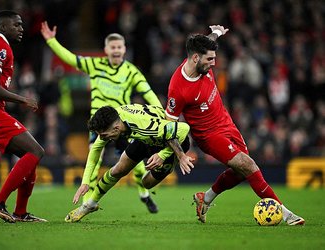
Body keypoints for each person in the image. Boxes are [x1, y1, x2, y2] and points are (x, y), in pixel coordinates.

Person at [165, 25, 305, 226]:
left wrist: (217, 33)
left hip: (226, 123)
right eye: (209, 60)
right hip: (209, 135)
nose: (213, 64)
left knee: (241, 172)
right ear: (195, 58)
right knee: (249, 165)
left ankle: (205, 198)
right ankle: (284, 212)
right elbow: (169, 125)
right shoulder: (178, 88)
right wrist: (180, 155)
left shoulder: (202, 55)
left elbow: (208, 40)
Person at [40, 21, 162, 213]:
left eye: (119, 47)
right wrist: (52, 42)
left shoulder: (131, 71)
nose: (116, 50)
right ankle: (88, 201)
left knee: (135, 163)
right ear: (106, 49)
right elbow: (71, 59)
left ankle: (144, 194)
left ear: (124, 49)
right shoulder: (95, 64)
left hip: (122, 124)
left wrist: (161, 113)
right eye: (112, 47)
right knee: (94, 157)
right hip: (100, 125)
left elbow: (148, 93)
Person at [0, 10, 46, 223]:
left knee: (29, 155)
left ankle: (20, 213)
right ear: (3, 27)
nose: (21, 29)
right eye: (17, 25)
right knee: (36, 151)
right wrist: (23, 99)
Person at [64, 104, 194, 222]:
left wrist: (163, 155)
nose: (103, 139)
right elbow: (95, 150)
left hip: (170, 143)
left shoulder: (145, 126)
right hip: (143, 139)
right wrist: (85, 182)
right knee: (118, 170)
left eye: (104, 135)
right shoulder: (116, 119)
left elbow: (184, 129)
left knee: (147, 183)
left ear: (116, 128)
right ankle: (89, 205)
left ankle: (168, 165)